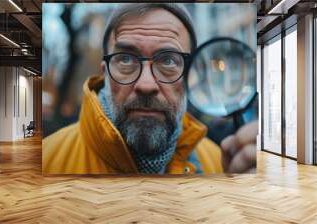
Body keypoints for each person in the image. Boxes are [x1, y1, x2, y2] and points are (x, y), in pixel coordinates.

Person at [43, 3, 257, 174]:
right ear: (105, 74)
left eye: (169, 61)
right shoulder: (48, 158)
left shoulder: (219, 163)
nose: (146, 85)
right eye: (125, 59)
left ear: (190, 77)